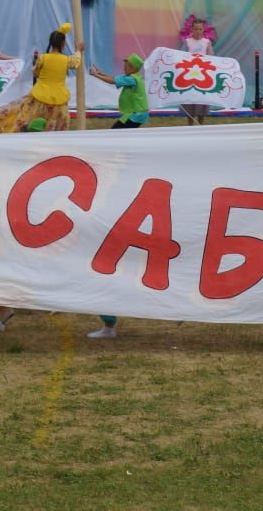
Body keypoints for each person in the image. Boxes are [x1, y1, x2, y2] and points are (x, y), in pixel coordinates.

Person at [85, 55, 150, 339]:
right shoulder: (136, 79)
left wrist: (98, 73)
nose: (123, 66)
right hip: (133, 115)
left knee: (114, 138)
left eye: (126, 63)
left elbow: (115, 81)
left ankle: (119, 163)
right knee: (118, 139)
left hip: (133, 116)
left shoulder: (134, 78)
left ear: (133, 67)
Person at [0, 29, 80, 133]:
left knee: (27, 120)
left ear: (51, 42)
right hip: (59, 98)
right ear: (63, 44)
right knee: (56, 126)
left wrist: (37, 66)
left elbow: (36, 73)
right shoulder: (67, 60)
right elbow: (76, 62)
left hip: (40, 96)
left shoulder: (42, 58)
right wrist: (79, 50)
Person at [180, 18, 213, 125]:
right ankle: (190, 123)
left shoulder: (207, 43)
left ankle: (201, 123)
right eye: (195, 29)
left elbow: (211, 58)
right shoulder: (187, 42)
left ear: (203, 30)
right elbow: (182, 57)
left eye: (200, 29)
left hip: (202, 75)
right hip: (190, 75)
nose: (198, 31)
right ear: (192, 29)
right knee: (190, 99)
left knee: (202, 99)